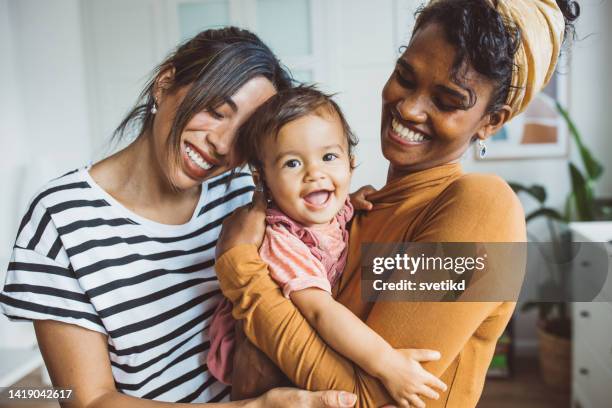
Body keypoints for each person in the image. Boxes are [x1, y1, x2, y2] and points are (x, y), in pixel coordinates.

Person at [212, 1, 580, 407]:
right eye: (405, 76)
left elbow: (367, 399)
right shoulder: (352, 209)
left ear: (492, 122)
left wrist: (239, 268)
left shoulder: (485, 210)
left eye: (447, 100)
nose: (408, 108)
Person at [0, 27, 358, 407]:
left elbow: (327, 241)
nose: (221, 145)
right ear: (164, 83)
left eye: (243, 138)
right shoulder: (61, 218)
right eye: (216, 111)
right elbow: (87, 401)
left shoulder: (243, 194)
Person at [206, 86, 447, 405]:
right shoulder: (283, 240)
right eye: (292, 164)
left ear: (350, 163)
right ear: (261, 179)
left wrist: (352, 199)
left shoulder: (339, 210)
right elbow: (320, 312)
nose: (314, 173)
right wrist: (387, 363)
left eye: (329, 157)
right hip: (274, 366)